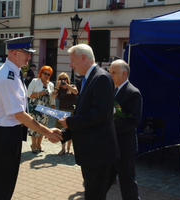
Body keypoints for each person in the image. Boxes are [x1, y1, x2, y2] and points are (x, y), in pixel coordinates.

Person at [0, 36, 62, 200]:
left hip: (9, 133)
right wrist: (47, 131)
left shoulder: (14, 72)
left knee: (7, 181)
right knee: (1, 182)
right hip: (4, 134)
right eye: (25, 53)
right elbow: (19, 114)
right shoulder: (8, 77)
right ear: (13, 53)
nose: (29, 57)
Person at [59, 44, 120, 199]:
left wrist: (70, 123)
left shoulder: (101, 78)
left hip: (98, 153)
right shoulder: (89, 79)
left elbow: (98, 115)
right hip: (91, 153)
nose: (71, 65)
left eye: (72, 60)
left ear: (83, 57)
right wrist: (63, 134)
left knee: (94, 195)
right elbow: (85, 113)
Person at [105, 59, 142, 200]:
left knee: (127, 183)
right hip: (110, 145)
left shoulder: (133, 93)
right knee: (103, 181)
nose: (110, 75)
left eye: (113, 72)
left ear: (124, 73)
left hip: (124, 146)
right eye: (110, 72)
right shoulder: (112, 90)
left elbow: (134, 121)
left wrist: (111, 128)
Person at [27, 65, 55, 153]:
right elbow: (28, 94)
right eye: (45, 73)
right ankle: (34, 144)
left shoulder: (50, 84)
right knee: (35, 126)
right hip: (35, 107)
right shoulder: (35, 81)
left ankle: (39, 144)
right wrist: (39, 94)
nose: (46, 75)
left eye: (48, 74)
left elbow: (52, 97)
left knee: (43, 126)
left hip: (45, 108)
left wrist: (53, 105)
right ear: (41, 73)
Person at [52, 72, 78, 155]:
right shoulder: (58, 89)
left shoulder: (72, 86)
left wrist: (68, 86)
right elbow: (53, 96)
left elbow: (76, 92)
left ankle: (68, 149)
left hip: (71, 111)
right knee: (62, 131)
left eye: (65, 79)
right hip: (61, 111)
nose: (63, 80)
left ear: (68, 79)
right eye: (61, 79)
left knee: (70, 130)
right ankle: (62, 149)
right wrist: (57, 86)